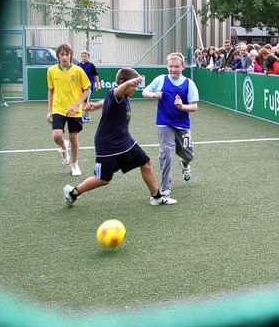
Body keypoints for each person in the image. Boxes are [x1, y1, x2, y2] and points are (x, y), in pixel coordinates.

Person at [63, 68, 169, 206]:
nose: (134, 89)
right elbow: (116, 92)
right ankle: (72, 193)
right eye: (133, 86)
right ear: (122, 83)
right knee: (103, 179)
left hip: (125, 141)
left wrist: (96, 105)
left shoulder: (121, 95)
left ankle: (156, 197)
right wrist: (128, 83)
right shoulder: (117, 92)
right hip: (108, 144)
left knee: (146, 163)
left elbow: (110, 98)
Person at [142, 52, 199, 205]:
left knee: (188, 154)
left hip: (182, 125)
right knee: (166, 154)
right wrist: (153, 95)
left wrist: (182, 106)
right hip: (164, 123)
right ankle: (165, 191)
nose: (173, 69)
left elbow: (194, 107)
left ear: (183, 67)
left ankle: (185, 164)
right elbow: (145, 91)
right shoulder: (161, 79)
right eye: (171, 66)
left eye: (176, 67)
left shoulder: (189, 83)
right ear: (167, 66)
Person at [47, 42, 91, 177]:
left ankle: (75, 164)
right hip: (58, 108)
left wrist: (77, 105)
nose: (64, 57)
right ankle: (63, 147)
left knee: (73, 137)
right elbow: (51, 90)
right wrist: (49, 110)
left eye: (67, 54)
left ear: (71, 56)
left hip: (74, 110)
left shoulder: (78, 71)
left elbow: (87, 90)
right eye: (62, 54)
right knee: (57, 136)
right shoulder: (51, 70)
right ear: (58, 56)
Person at [78, 50, 101, 122]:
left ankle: (87, 116)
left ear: (88, 57)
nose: (84, 58)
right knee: (80, 101)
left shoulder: (91, 65)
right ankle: (80, 115)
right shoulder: (78, 65)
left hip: (88, 87)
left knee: (85, 101)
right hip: (80, 86)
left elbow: (96, 75)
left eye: (85, 56)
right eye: (83, 56)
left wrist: (98, 85)